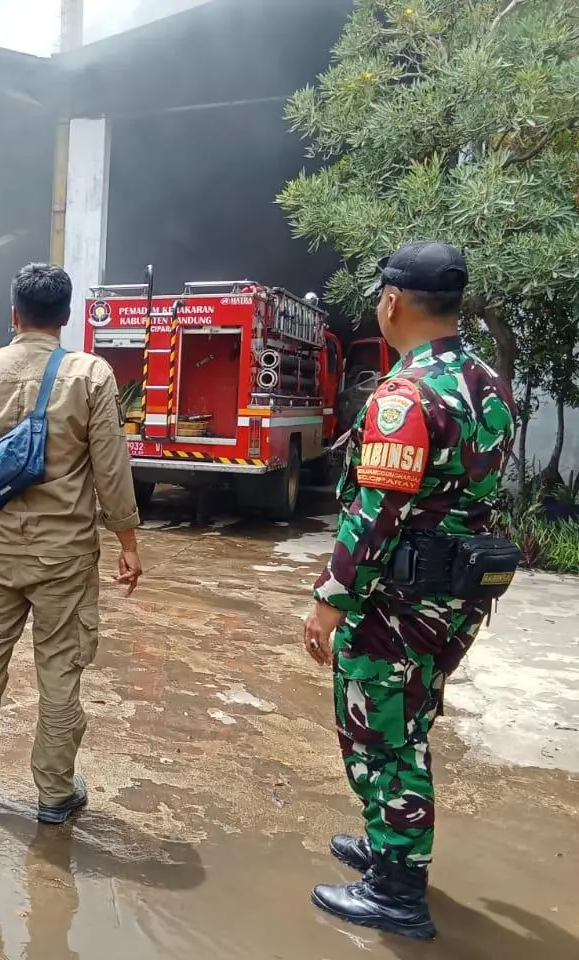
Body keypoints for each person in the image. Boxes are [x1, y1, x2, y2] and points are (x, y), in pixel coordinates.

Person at [302, 242, 516, 940]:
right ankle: (388, 841)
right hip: (455, 595)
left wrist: (331, 596)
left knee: (382, 734)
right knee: (407, 719)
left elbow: (376, 514)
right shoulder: (486, 382)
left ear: (391, 302)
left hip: (399, 602)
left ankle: (396, 890)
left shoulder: (406, 395)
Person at [0, 263, 143, 824]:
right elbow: (111, 467)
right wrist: (128, 540)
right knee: (58, 671)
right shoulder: (90, 375)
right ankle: (54, 794)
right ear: (67, 315)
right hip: (65, 555)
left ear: (13, 314)